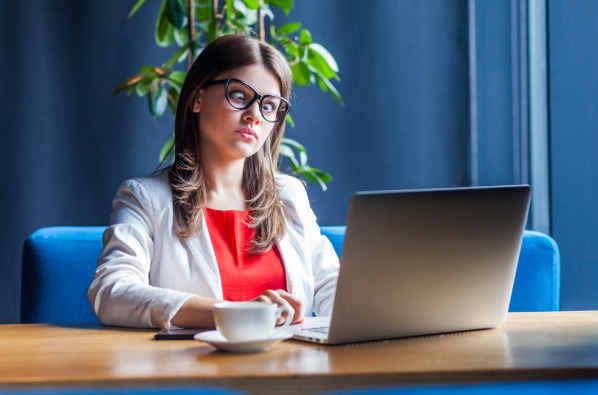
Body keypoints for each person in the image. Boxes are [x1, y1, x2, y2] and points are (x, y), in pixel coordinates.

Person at [87, 34, 340, 329]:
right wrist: (231, 312)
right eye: (240, 96)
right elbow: (111, 292)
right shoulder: (145, 197)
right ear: (197, 98)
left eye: (269, 106)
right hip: (193, 369)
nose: (254, 115)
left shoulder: (289, 195)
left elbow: (332, 286)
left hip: (289, 369)